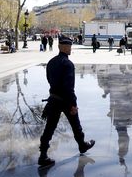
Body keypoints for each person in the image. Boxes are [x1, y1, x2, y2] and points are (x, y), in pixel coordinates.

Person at [38, 35, 95, 167]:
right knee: (75, 124)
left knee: (49, 128)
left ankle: (43, 155)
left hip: (53, 99)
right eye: (68, 46)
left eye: (70, 46)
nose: (70, 48)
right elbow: (69, 87)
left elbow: (49, 80)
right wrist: (73, 105)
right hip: (65, 100)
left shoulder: (51, 62)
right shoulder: (68, 64)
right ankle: (82, 145)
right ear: (61, 47)